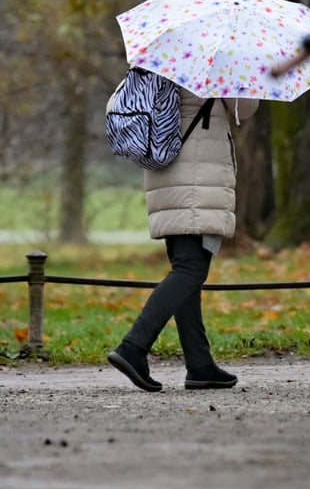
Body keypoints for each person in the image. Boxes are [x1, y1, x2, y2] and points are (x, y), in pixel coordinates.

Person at [108, 87, 258, 392]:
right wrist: (243, 78)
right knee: (191, 270)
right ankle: (133, 347)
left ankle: (200, 365)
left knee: (186, 270)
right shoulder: (213, 59)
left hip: (167, 166)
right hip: (197, 175)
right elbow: (245, 109)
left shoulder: (167, 58)